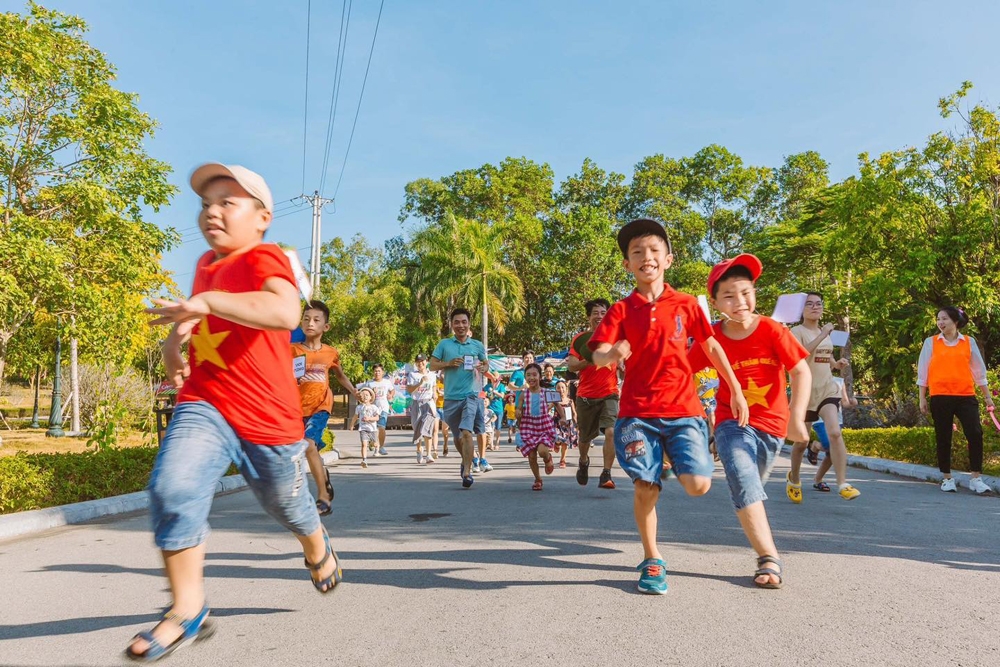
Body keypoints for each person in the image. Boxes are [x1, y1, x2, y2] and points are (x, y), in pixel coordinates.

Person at [130, 164, 341, 661]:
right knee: (172, 485)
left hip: (268, 416)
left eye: (228, 201)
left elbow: (285, 313)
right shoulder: (206, 263)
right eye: (206, 203)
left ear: (263, 216)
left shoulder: (266, 258)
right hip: (204, 400)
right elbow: (196, 317)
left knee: (283, 503)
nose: (212, 211)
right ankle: (187, 609)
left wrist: (204, 300)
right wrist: (172, 347)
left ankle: (316, 545)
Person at [589, 218, 749, 595]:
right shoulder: (621, 310)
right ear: (628, 264)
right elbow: (595, 353)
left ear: (669, 259)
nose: (646, 257)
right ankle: (652, 558)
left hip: (685, 412)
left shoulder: (688, 304)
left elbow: (711, 346)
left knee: (698, 485)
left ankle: (668, 457)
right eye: (637, 253)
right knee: (647, 486)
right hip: (637, 415)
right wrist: (611, 353)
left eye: (654, 250)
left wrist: (736, 388)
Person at [688, 254, 811, 588]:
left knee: (748, 486)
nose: (739, 301)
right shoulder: (711, 338)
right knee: (742, 475)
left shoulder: (772, 330)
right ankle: (768, 557)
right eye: (728, 295)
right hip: (732, 422)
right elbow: (683, 372)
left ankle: (760, 541)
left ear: (755, 292)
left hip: (773, 429)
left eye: (745, 292)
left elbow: (800, 370)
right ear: (714, 303)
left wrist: (797, 418)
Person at [786, 293, 861, 502]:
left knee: (835, 433)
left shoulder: (824, 332)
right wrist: (823, 334)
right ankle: (795, 478)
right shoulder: (796, 332)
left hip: (827, 389)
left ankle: (842, 483)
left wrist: (836, 364)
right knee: (801, 442)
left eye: (818, 304)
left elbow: (825, 356)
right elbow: (800, 354)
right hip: (805, 392)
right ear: (801, 310)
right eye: (809, 304)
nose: (815, 307)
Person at [917, 306, 994, 494]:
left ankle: (976, 478)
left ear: (956, 322)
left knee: (975, 433)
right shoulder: (931, 342)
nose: (940, 323)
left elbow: (979, 372)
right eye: (938, 319)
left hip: (965, 395)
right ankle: (947, 478)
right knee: (943, 436)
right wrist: (922, 398)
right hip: (939, 396)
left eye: (944, 319)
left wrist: (987, 397)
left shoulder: (969, 342)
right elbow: (923, 372)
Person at [291, 300, 357, 516]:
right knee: (309, 450)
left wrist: (354, 391)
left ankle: (323, 498)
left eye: (316, 320)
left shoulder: (331, 353)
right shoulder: (291, 350)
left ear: (325, 327)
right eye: (306, 319)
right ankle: (324, 477)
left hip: (321, 407)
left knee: (309, 444)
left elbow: (340, 375)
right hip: (296, 408)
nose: (310, 323)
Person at [430, 308, 494, 488]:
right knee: (458, 436)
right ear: (452, 325)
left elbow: (486, 363)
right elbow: (432, 365)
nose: (461, 325)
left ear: (469, 324)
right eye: (457, 322)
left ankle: (467, 472)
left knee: (467, 431)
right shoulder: (444, 344)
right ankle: (466, 459)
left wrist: (484, 368)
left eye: (464, 322)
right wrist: (447, 363)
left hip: (472, 395)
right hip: (451, 397)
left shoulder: (477, 345)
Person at [566, 298, 620, 489]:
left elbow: (624, 361)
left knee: (612, 431)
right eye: (595, 313)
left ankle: (606, 473)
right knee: (584, 439)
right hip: (586, 397)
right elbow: (572, 366)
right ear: (589, 317)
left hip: (610, 393)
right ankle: (583, 461)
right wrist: (589, 360)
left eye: (603, 313)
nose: (599, 316)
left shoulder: (615, 337)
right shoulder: (580, 339)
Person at [517, 363, 558, 490]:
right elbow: (518, 408)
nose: (531, 378)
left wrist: (562, 418)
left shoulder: (547, 392)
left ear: (540, 376)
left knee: (542, 451)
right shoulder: (523, 394)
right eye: (528, 375)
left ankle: (548, 458)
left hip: (543, 426)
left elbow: (558, 404)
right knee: (532, 455)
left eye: (534, 375)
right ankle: (538, 479)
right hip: (528, 426)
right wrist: (518, 412)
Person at [406, 354, 437, 464]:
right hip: (417, 404)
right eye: (418, 362)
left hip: (428, 403)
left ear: (426, 362)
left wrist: (435, 394)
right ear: (416, 363)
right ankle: (419, 450)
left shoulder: (432, 375)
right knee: (418, 429)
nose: (420, 364)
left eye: (422, 361)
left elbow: (434, 386)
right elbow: (409, 389)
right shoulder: (413, 375)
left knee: (428, 429)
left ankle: (428, 455)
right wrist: (420, 383)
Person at [360, 364, 395, 456]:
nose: (377, 373)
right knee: (373, 429)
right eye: (375, 371)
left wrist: (391, 395)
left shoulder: (387, 382)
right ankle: (375, 446)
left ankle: (381, 447)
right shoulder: (369, 383)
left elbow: (392, 390)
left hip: (383, 407)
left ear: (382, 372)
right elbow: (364, 394)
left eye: (379, 371)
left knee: (382, 428)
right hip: (372, 409)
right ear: (373, 372)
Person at [552, 379, 579, 468]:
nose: (561, 389)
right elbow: (547, 409)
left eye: (563, 387)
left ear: (566, 389)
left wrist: (576, 424)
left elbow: (574, 413)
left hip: (567, 424)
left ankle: (562, 460)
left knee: (565, 442)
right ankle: (556, 443)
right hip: (557, 423)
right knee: (558, 438)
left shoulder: (570, 401)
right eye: (558, 388)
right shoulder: (555, 401)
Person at [355, 387, 380, 468]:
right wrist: (352, 425)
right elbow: (355, 416)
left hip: (372, 429)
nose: (365, 396)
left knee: (375, 444)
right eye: (363, 395)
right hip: (363, 429)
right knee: (363, 444)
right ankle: (364, 460)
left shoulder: (374, 407)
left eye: (367, 395)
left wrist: (369, 418)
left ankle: (374, 445)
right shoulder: (359, 407)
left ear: (370, 397)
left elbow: (377, 418)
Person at [484, 376, 507, 451]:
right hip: (490, 408)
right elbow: (483, 394)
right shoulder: (487, 386)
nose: (494, 380)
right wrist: (485, 394)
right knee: (490, 427)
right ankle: (490, 444)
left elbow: (502, 396)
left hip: (499, 409)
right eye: (493, 379)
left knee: (498, 427)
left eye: (496, 379)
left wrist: (494, 391)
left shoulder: (501, 386)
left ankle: (497, 443)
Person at [435, 372, 448, 457]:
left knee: (445, 431)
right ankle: (435, 450)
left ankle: (445, 445)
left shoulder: (449, 383)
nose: (442, 376)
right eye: (441, 374)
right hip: (436, 407)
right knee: (435, 430)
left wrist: (442, 393)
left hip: (446, 408)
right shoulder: (435, 383)